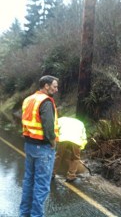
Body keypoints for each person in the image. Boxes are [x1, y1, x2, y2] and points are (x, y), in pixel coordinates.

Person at [20, 75, 59, 217]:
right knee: (41, 185)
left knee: (29, 181)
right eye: (54, 86)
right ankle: (36, 215)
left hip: (29, 145)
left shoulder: (28, 99)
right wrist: (53, 143)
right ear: (46, 86)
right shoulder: (46, 101)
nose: (56, 89)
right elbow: (48, 127)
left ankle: (24, 214)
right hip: (43, 148)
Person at [52, 116, 88, 182]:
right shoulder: (81, 123)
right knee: (75, 158)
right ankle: (71, 176)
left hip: (63, 138)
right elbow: (84, 138)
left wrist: (55, 140)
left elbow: (54, 128)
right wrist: (80, 148)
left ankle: (52, 173)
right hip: (76, 141)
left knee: (58, 156)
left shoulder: (61, 119)